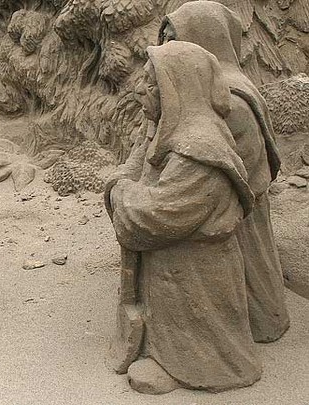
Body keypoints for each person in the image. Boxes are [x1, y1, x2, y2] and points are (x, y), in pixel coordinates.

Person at [105, 41, 261, 393]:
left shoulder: (200, 151)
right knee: (173, 313)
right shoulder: (168, 129)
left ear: (178, 88)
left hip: (197, 269)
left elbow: (160, 213)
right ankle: (166, 356)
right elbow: (138, 164)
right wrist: (126, 180)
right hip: (174, 269)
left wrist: (120, 191)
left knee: (203, 330)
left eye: (152, 83)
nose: (139, 89)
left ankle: (198, 369)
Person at [159, 0, 289, 343]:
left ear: (205, 40)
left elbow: (221, 169)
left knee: (247, 276)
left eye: (175, 39)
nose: (167, 48)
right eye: (165, 39)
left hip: (231, 210)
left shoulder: (231, 98)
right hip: (216, 205)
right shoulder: (199, 86)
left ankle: (254, 324)